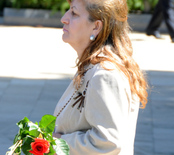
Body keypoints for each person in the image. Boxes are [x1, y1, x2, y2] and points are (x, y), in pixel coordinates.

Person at [53, 0, 148, 154]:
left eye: (74, 13)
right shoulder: (93, 66)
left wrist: (55, 143)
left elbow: (107, 142)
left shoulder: (105, 74)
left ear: (96, 26)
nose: (64, 18)